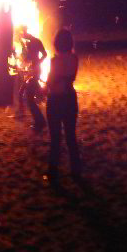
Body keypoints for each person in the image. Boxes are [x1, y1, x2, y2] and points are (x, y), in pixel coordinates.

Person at [45, 29, 81, 183]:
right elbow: (71, 77)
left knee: (55, 139)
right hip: (70, 99)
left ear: (57, 43)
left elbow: (50, 82)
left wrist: (45, 86)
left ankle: (53, 172)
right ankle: (76, 170)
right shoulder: (74, 58)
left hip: (55, 101)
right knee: (71, 137)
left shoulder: (54, 61)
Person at [16, 26, 47, 132]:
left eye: (22, 33)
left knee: (28, 97)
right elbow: (33, 57)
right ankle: (23, 113)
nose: (22, 35)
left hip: (35, 71)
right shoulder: (35, 41)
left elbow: (42, 55)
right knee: (21, 93)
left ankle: (40, 122)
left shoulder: (33, 42)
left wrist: (36, 63)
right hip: (33, 70)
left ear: (26, 32)